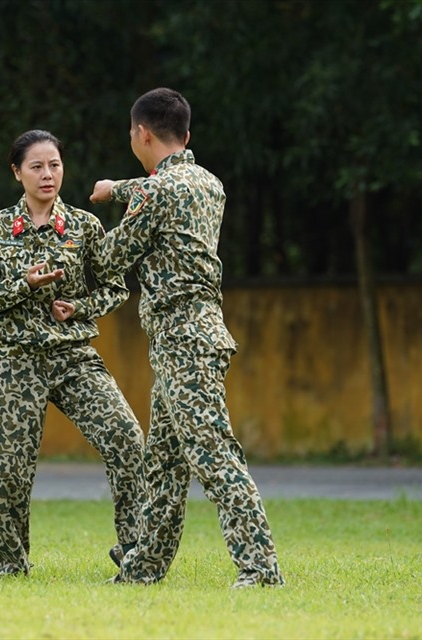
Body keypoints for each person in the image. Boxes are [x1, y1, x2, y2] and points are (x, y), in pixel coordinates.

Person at [88, 88, 284, 589]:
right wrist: (118, 188)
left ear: (141, 134)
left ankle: (260, 571)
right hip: (193, 335)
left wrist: (75, 238)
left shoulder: (157, 193)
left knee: (214, 455)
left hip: (183, 340)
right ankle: (142, 571)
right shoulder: (209, 183)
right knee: (165, 466)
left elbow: (109, 260)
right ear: (187, 135)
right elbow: (165, 184)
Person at [0, 129, 146, 577]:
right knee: (8, 468)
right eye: (36, 166)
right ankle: (9, 564)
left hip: (73, 357)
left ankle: (135, 549)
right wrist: (24, 284)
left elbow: (114, 287)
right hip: (14, 358)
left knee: (127, 439)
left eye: (54, 165)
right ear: (17, 173)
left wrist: (79, 308)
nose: (48, 175)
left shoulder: (85, 226)